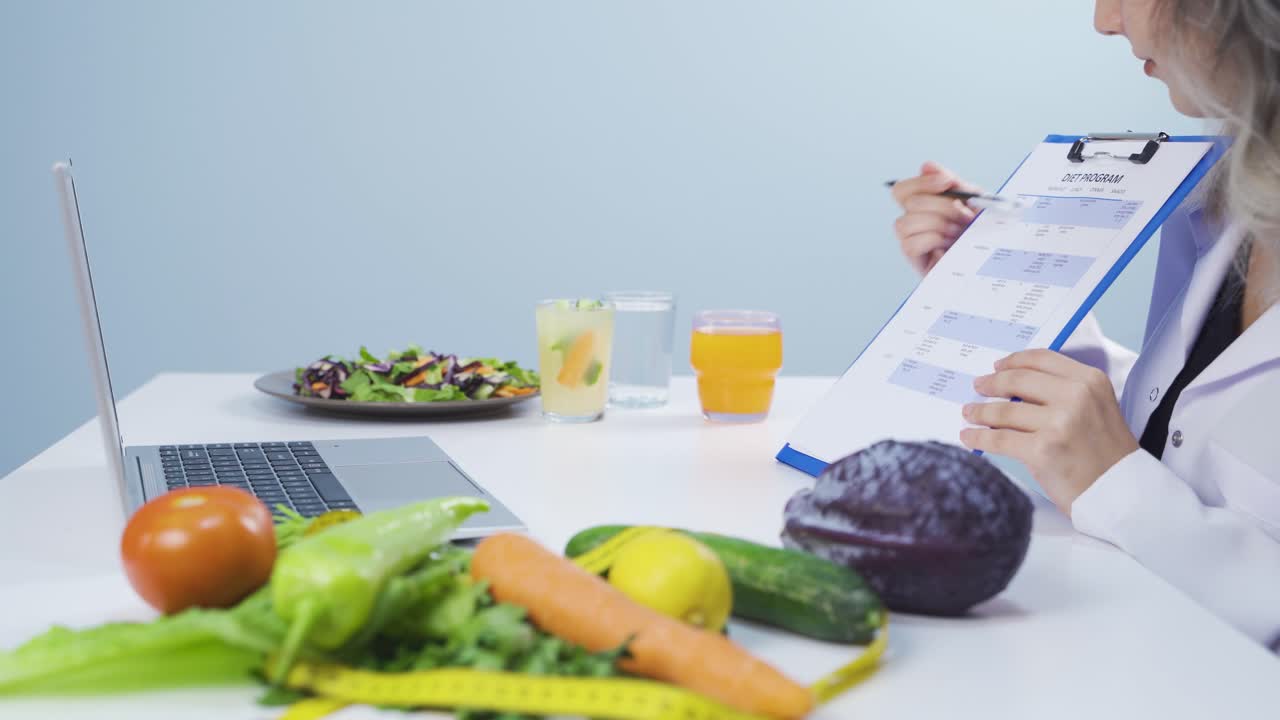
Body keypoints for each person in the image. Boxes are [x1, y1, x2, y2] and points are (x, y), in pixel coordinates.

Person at [890, 0, 1280, 649]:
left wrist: (1121, 489)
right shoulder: (1235, 197)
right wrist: (998, 289)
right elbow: (1181, 432)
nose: (1104, 19)